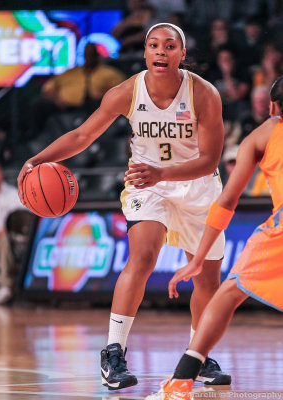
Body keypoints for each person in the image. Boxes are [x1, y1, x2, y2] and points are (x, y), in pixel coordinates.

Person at [17, 23, 230, 390]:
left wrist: (163, 172)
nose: (160, 52)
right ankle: (113, 352)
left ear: (182, 55)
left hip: (196, 186)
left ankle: (198, 354)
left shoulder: (204, 94)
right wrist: (37, 159)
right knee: (143, 256)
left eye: (169, 46)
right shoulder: (127, 92)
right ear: (145, 54)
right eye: (153, 45)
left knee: (207, 280)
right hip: (147, 185)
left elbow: (210, 160)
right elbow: (83, 135)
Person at [146, 76, 283, 399]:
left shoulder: (262, 134)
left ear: (272, 107)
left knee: (229, 292)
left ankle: (181, 382)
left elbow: (226, 202)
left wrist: (197, 258)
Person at [28, 42, 126, 140]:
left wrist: (102, 99)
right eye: (87, 55)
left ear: (97, 55)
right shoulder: (70, 72)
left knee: (99, 106)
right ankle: (36, 137)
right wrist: (57, 99)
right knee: (38, 103)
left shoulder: (110, 73)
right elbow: (47, 90)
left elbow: (122, 92)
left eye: (92, 55)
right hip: (63, 106)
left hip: (93, 107)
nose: (89, 58)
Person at [0, 162, 24, 304]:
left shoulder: (12, 194)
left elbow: (23, 220)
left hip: (9, 238)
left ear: (1, 175)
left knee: (4, 239)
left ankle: (6, 286)